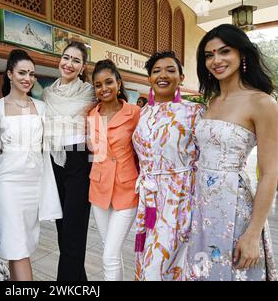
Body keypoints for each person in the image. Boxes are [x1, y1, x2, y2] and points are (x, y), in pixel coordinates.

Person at [186, 24, 278, 281]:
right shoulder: (211, 101)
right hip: (202, 206)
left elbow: (271, 173)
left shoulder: (262, 102)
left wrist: (252, 233)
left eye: (224, 51)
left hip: (235, 206)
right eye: (209, 54)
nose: (216, 60)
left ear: (242, 54)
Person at [133, 51, 206, 281]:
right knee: (147, 261)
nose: (163, 75)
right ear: (149, 79)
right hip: (149, 201)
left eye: (170, 70)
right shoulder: (143, 113)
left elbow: (204, 157)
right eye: (156, 71)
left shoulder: (194, 112)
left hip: (180, 199)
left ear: (181, 78)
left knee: (169, 264)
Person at [0, 49, 62, 281]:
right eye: (22, 72)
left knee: (19, 246)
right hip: (7, 184)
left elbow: (48, 147)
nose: (27, 78)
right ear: (9, 74)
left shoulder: (41, 108)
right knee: (18, 246)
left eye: (31, 74)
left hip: (34, 184)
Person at [43, 41, 96, 281]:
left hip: (78, 160)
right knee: (63, 230)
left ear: (83, 66)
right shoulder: (47, 94)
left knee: (74, 230)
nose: (69, 63)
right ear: (59, 59)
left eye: (76, 60)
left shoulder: (89, 92)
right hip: (53, 160)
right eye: (66, 57)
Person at [87, 59, 140, 281]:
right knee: (110, 250)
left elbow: (143, 150)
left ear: (119, 83)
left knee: (109, 255)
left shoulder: (135, 112)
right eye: (98, 85)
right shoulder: (92, 115)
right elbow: (94, 153)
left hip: (126, 189)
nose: (104, 88)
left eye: (108, 82)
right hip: (99, 189)